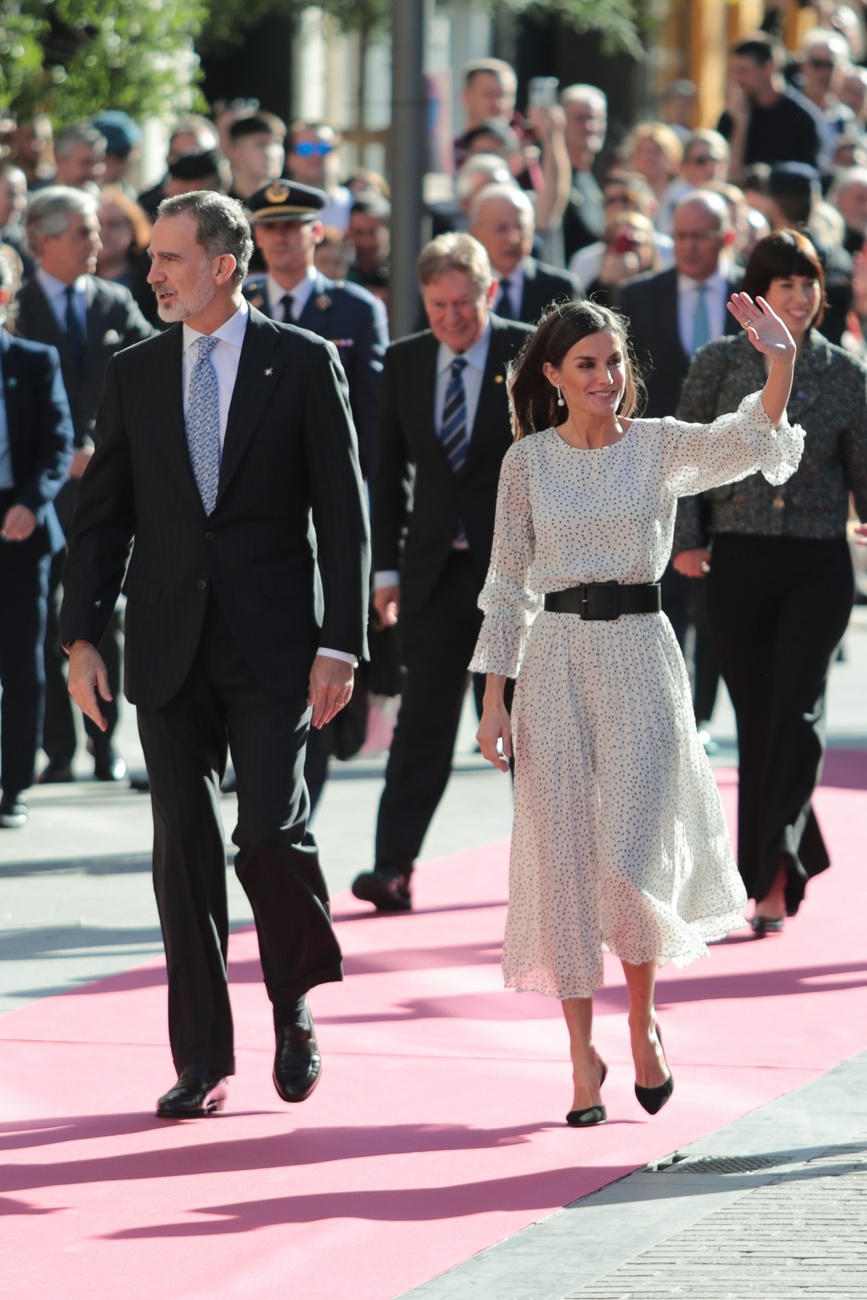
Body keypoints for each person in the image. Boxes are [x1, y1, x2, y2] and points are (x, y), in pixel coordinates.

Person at [59, 190, 370, 1117]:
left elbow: (344, 519)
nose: (149, 273)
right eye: (151, 258)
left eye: (170, 260)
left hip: (276, 648)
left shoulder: (302, 362)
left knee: (269, 833)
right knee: (182, 853)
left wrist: (340, 643)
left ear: (223, 266)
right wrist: (80, 636)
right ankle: (201, 1056)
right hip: (165, 647)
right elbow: (103, 516)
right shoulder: (136, 371)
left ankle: (292, 1001)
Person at [471, 294, 804, 1126]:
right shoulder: (527, 463)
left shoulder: (656, 447)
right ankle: (582, 1059)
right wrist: (491, 698)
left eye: (613, 362)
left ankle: (642, 1019)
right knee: (565, 863)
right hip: (552, 665)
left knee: (628, 858)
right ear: (551, 376)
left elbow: (749, 439)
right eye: (585, 364)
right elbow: (507, 586)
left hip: (641, 660)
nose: (604, 378)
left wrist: (780, 363)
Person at [673, 230, 867, 935]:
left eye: (809, 282)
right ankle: (790, 849)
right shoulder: (717, 363)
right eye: (783, 284)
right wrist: (687, 540)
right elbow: (687, 455)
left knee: (795, 710)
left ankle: (771, 873)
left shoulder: (845, 372)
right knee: (758, 720)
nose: (799, 296)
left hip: (816, 563)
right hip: (738, 560)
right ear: (757, 292)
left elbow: (862, 464)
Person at [350, 233, 531, 913]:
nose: (451, 317)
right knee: (420, 727)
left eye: (463, 302)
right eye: (436, 305)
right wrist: (386, 568)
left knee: (524, 727)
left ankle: (547, 867)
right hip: (431, 575)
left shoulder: (527, 353)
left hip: (513, 575)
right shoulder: (404, 361)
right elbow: (388, 472)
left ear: (488, 291)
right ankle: (391, 867)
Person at [242, 179, 389, 812]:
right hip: (253, 509)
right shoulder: (237, 303)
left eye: (291, 225)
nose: (279, 238)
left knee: (320, 652)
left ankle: (301, 800)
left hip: (323, 505)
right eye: (268, 227)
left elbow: (373, 420)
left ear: (316, 232)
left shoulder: (354, 310)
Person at [17, 186, 155, 784]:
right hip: (39, 492)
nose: (97, 242)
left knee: (109, 615)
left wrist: (104, 448)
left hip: (106, 486)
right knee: (47, 620)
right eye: (81, 232)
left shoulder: (113, 301)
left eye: (96, 230)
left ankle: (104, 745)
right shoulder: (15, 306)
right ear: (43, 240)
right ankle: (57, 751)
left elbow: (156, 367)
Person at [0, 251, 73, 830]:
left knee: (24, 661)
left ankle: (14, 786)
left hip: (21, 525)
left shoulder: (34, 360)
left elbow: (58, 444)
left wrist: (30, 502)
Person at [469, 183, 582, 324]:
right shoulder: (463, 288)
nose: (513, 238)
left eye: (520, 227)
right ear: (476, 234)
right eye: (501, 228)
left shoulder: (561, 291)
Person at [718, 33, 822, 178]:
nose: (738, 79)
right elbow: (726, 176)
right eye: (735, 71)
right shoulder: (732, 114)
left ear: (769, 67)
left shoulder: (802, 119)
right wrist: (740, 126)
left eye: (744, 71)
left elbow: (807, 179)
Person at [560, 85, 608, 263]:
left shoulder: (593, 178)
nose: (589, 126)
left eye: (596, 118)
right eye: (579, 118)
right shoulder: (548, 178)